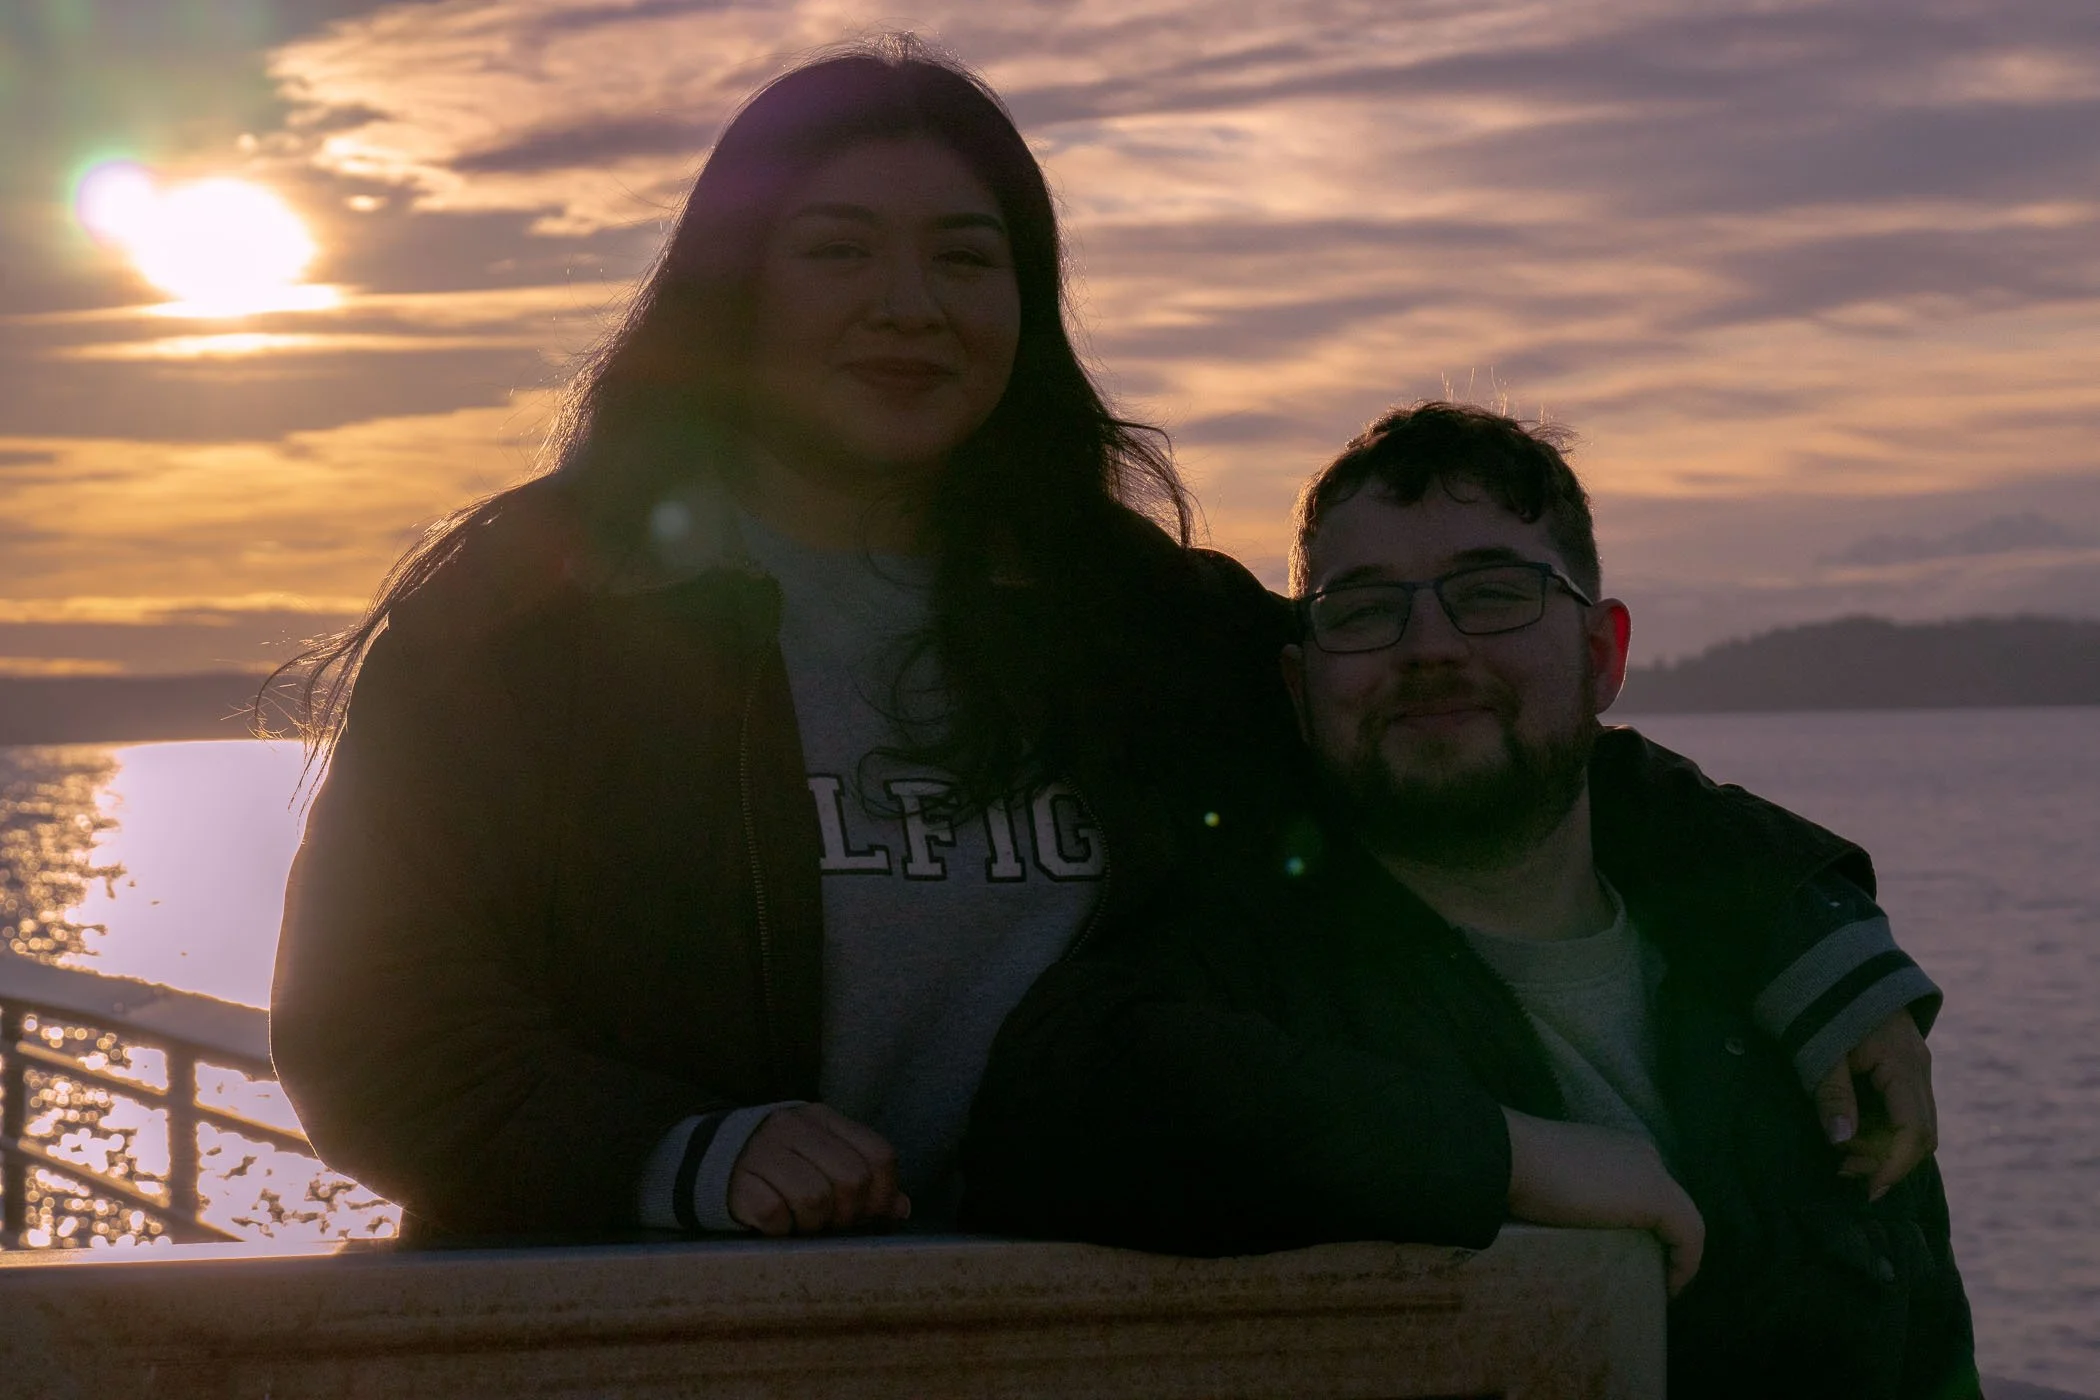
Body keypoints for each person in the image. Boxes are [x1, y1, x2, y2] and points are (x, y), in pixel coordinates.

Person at [270, 37, 1936, 1256]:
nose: (908, 304)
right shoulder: (541, 617)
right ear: (733, 291)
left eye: (966, 257)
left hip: (1082, 1333)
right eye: (838, 250)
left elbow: (1454, 721)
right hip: (672, 1342)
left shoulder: (1132, 618)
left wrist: (1806, 937)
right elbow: (368, 1024)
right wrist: (680, 1155)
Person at [962, 404, 1976, 1400]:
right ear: (1298, 688)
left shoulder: (1801, 1006)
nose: (1430, 645)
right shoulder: (1246, 985)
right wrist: (1499, 1157)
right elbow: (1047, 1109)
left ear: (1602, 655)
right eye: (1365, 609)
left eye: (1493, 594)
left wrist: (1813, 918)